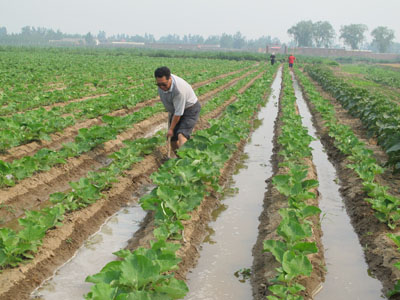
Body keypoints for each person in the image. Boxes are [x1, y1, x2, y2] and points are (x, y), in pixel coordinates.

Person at [154, 66, 201, 152]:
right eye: (159, 84)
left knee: (181, 134)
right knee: (172, 139)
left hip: (190, 109)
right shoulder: (162, 85)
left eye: (164, 84)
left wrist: (171, 129)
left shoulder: (179, 90)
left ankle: (186, 159)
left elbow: (178, 113)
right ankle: (180, 159)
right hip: (175, 111)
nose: (162, 87)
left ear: (170, 79)